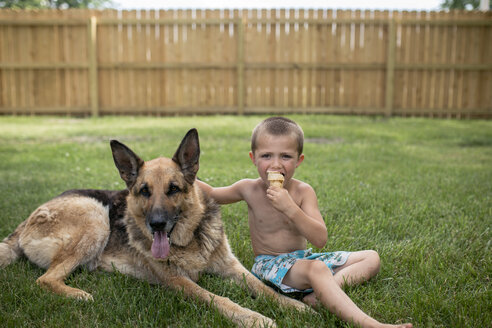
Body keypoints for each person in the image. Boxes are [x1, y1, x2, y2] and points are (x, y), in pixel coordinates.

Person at [197, 117, 412, 328]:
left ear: (299, 160)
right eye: (266, 155)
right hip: (270, 265)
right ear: (253, 158)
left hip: (303, 259)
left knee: (371, 257)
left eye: (286, 156)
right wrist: (179, 172)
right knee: (317, 270)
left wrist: (290, 208)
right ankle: (371, 324)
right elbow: (213, 194)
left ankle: (319, 294)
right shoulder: (248, 189)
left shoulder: (303, 192)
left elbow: (320, 239)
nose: (275, 164)